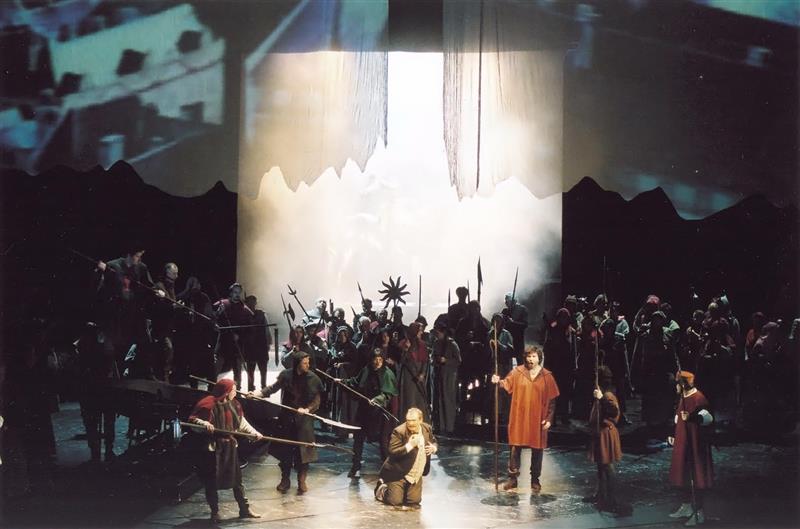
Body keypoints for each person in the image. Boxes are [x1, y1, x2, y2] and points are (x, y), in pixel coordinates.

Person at [188, 378, 263, 523]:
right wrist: (203, 423)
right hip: (213, 449)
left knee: (237, 480)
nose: (235, 392)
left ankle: (244, 509)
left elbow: (241, 423)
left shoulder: (235, 404)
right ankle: (215, 512)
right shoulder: (208, 404)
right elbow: (193, 421)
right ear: (226, 392)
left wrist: (254, 433)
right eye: (233, 390)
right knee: (212, 481)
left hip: (230, 448)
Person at [491, 346, 559, 492]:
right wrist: (498, 381)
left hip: (538, 417)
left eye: (534, 356)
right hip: (519, 416)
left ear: (539, 358)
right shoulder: (518, 372)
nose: (530, 359)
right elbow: (506, 384)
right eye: (528, 356)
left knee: (537, 449)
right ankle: (512, 478)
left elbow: (552, 400)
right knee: (515, 447)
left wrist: (549, 419)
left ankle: (535, 479)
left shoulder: (547, 376)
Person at [253, 352, 323, 494]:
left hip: (304, 421)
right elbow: (273, 388)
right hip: (286, 419)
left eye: (308, 362)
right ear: (297, 364)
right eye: (305, 363)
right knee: (285, 452)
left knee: (303, 453)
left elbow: (317, 400)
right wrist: (258, 394)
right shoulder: (286, 375)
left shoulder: (313, 378)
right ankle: (285, 480)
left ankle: (301, 480)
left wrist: (307, 409)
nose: (308, 365)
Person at [338, 348, 398, 477]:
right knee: (358, 439)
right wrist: (342, 382)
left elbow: (387, 394)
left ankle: (388, 470)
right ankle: (355, 466)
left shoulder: (387, 374)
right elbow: (355, 381)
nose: (377, 362)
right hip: (364, 410)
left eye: (380, 359)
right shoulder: (366, 370)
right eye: (375, 359)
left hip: (380, 412)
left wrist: (377, 400)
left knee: (383, 442)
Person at [668, 371, 714, 526]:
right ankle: (687, 506)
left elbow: (708, 418)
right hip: (683, 442)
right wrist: (673, 434)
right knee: (684, 474)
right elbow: (677, 419)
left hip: (695, 444)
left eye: (677, 384)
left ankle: (699, 512)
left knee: (696, 475)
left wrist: (692, 417)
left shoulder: (698, 398)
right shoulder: (682, 397)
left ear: (683, 385)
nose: (675, 387)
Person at [585, 366, 628, 514]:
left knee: (607, 466)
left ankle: (613, 499)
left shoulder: (608, 395)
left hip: (606, 434)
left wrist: (601, 398)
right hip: (600, 433)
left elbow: (613, 412)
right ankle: (601, 495)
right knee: (601, 465)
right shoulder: (603, 394)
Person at [374, 407, 438, 507]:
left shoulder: (426, 428)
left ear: (420, 420)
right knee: (395, 501)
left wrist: (434, 448)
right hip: (398, 473)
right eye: (408, 420)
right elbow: (392, 452)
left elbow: (433, 440)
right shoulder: (399, 431)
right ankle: (382, 489)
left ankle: (402, 491)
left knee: (414, 501)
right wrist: (410, 445)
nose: (410, 423)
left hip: (415, 474)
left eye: (413, 420)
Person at [212, 283, 254, 388]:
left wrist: (240, 336)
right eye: (235, 292)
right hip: (223, 342)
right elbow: (212, 319)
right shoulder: (222, 304)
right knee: (216, 368)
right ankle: (211, 388)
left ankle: (237, 391)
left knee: (237, 371)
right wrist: (218, 313)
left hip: (237, 345)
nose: (237, 295)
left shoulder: (245, 310)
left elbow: (250, 329)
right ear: (231, 293)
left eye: (239, 293)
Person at [397, 324, 431, 422]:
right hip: (408, 375)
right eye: (419, 331)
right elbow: (401, 360)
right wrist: (406, 349)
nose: (421, 333)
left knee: (419, 400)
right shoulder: (403, 343)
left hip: (419, 375)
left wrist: (422, 373)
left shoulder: (422, 344)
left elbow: (425, 360)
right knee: (409, 399)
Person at [431, 321, 461, 434]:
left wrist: (447, 361)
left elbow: (458, 360)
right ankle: (441, 426)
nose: (437, 335)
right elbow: (433, 356)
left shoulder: (452, 344)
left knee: (448, 399)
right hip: (439, 374)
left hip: (449, 375)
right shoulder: (436, 343)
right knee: (439, 399)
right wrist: (435, 360)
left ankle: (449, 426)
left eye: (438, 333)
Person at [243, 295, 272, 392]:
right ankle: (251, 387)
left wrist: (268, 342)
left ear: (255, 303)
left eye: (253, 302)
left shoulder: (261, 314)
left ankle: (263, 387)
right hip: (250, 346)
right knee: (251, 370)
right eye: (249, 302)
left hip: (261, 344)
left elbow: (267, 329)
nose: (251, 304)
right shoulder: (244, 315)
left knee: (263, 369)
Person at [502, 293, 529, 364]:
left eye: (508, 301)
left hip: (518, 339)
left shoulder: (522, 309)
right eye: (506, 301)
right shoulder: (505, 311)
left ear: (513, 301)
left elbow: (525, 324)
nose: (506, 303)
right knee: (506, 362)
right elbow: (502, 325)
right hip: (507, 340)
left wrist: (513, 322)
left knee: (520, 361)